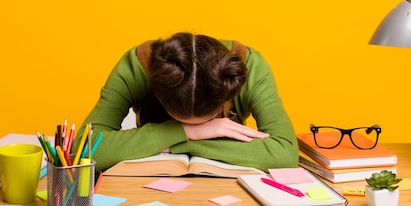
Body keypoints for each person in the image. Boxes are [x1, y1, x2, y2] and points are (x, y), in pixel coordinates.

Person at [77, 32, 299, 171]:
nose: (196, 129)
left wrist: (179, 141)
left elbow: (285, 152)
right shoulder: (136, 65)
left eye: (204, 124)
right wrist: (185, 132)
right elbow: (82, 148)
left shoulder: (251, 65)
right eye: (182, 122)